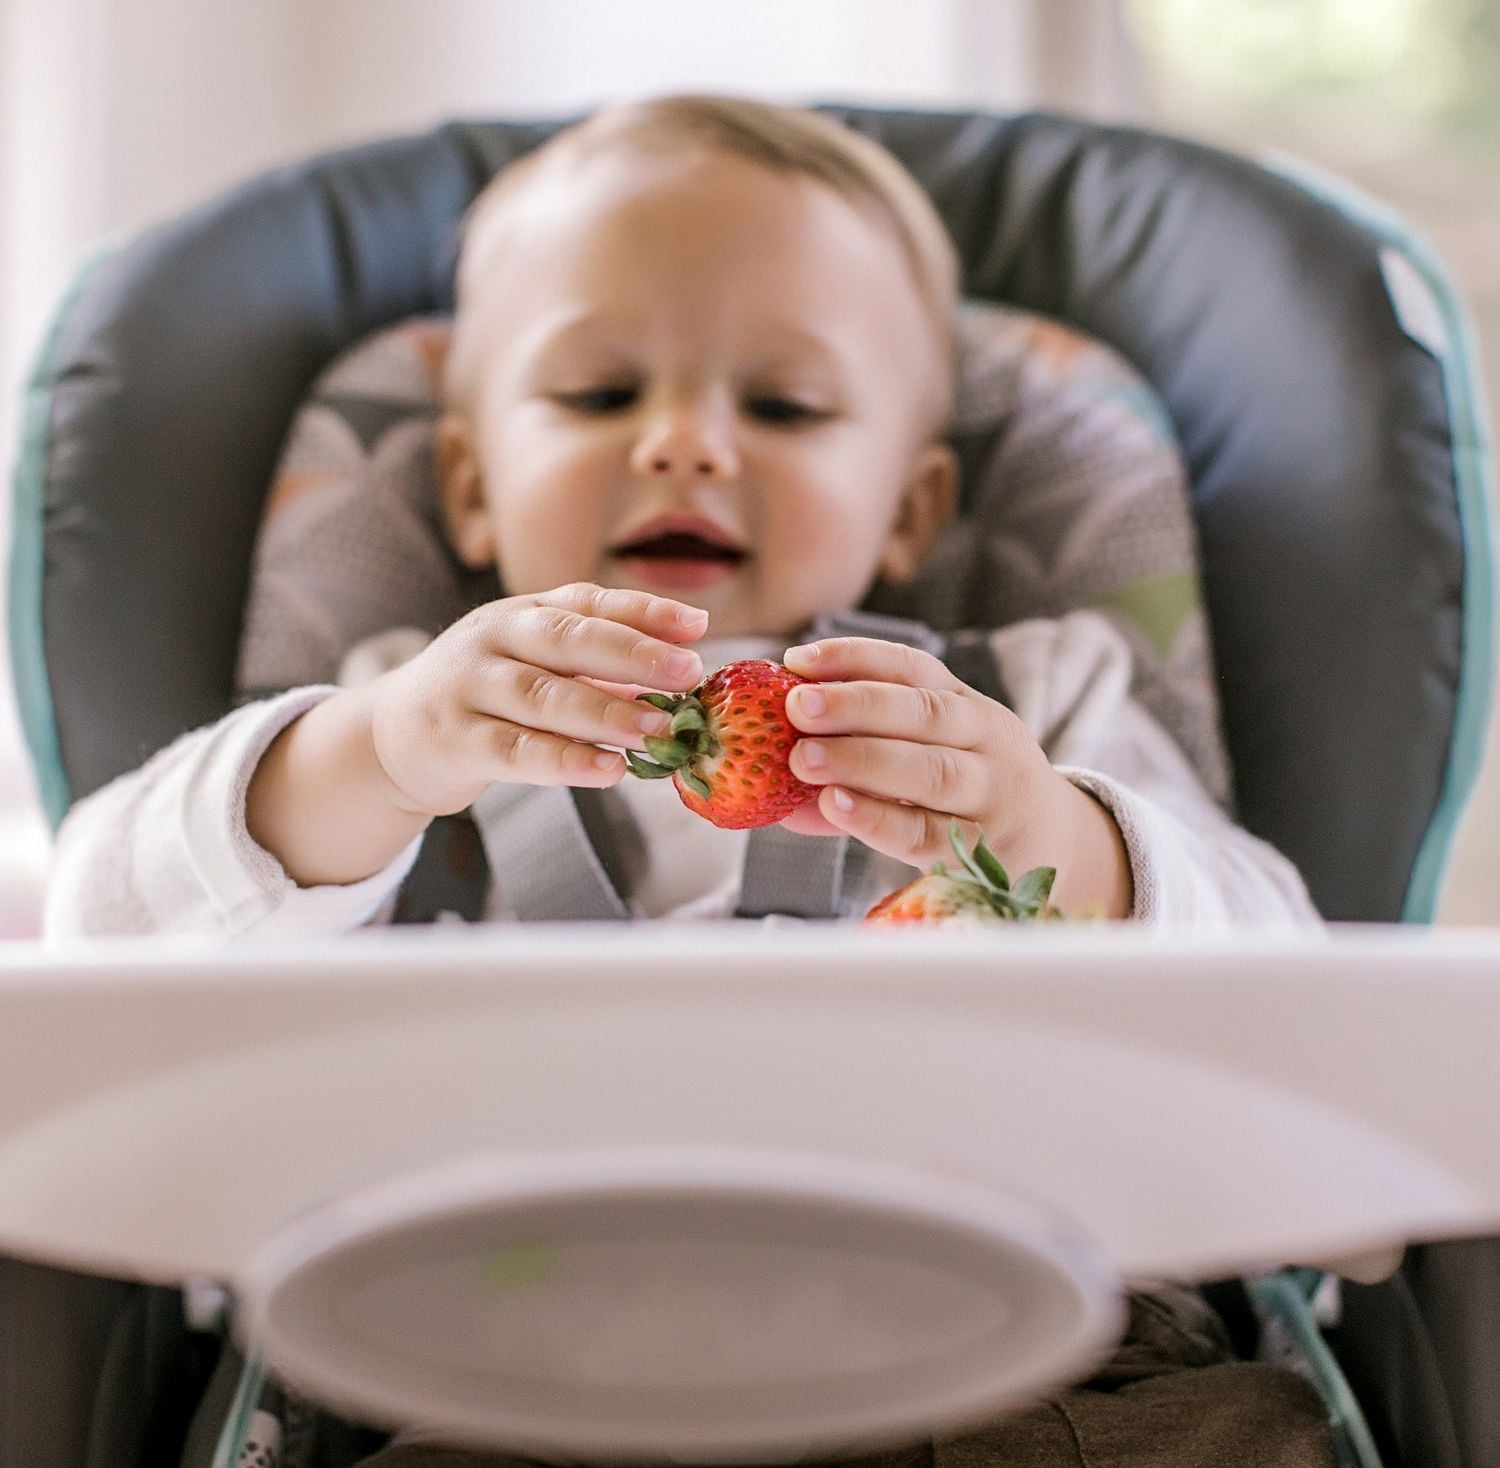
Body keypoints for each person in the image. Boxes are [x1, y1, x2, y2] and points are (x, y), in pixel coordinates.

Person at [45, 96, 1349, 1466]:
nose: (687, 443)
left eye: (785, 405)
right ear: (468, 487)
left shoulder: (1040, 699)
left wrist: (1060, 842)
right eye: (600, 394)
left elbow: (1282, 1003)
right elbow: (108, 946)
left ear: (911, 508)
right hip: (509, 1357)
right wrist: (368, 756)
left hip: (1034, 1351)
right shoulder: (398, 709)